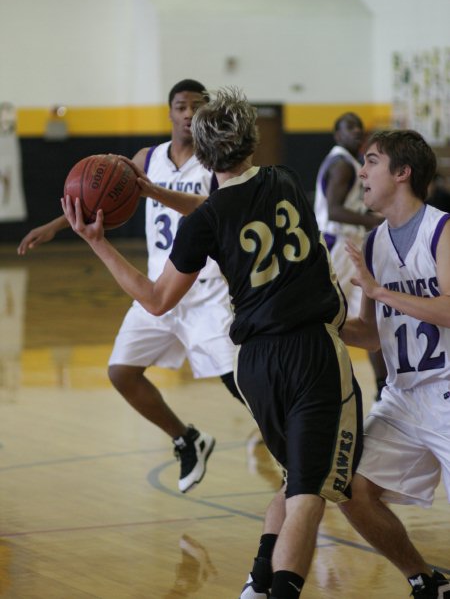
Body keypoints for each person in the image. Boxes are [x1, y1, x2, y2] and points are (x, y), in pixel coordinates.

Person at [61, 87, 363, 599]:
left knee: (294, 479)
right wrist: (154, 192)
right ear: (253, 143)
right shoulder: (284, 179)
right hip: (310, 351)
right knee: (309, 494)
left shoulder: (204, 221)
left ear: (200, 155)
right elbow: (226, 201)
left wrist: (99, 243)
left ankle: (256, 583)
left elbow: (156, 298)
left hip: (254, 361)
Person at [17, 79, 241, 494]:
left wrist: (155, 192)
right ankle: (187, 439)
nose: (189, 113)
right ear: (170, 112)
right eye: (181, 106)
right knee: (122, 373)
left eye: (197, 106)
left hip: (208, 290)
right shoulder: (146, 157)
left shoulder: (218, 164)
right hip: (158, 287)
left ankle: (293, 447)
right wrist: (54, 225)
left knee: (241, 385)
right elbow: (96, 197)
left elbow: (211, 210)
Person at [339, 129, 450, 599]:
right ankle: (423, 579)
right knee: (349, 489)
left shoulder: (442, 229)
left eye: (372, 162)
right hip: (403, 398)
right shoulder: (373, 243)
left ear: (402, 173)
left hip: (447, 389)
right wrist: (320, 322)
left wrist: (380, 291)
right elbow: (372, 334)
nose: (361, 172)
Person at [314, 112, 388, 400]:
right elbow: (334, 211)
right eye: (349, 127)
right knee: (327, 317)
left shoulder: (348, 161)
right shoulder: (343, 164)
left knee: (372, 322)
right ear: (337, 134)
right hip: (336, 246)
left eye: (359, 126)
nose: (356, 131)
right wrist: (376, 221)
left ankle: (383, 390)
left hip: (350, 246)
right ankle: (320, 385)